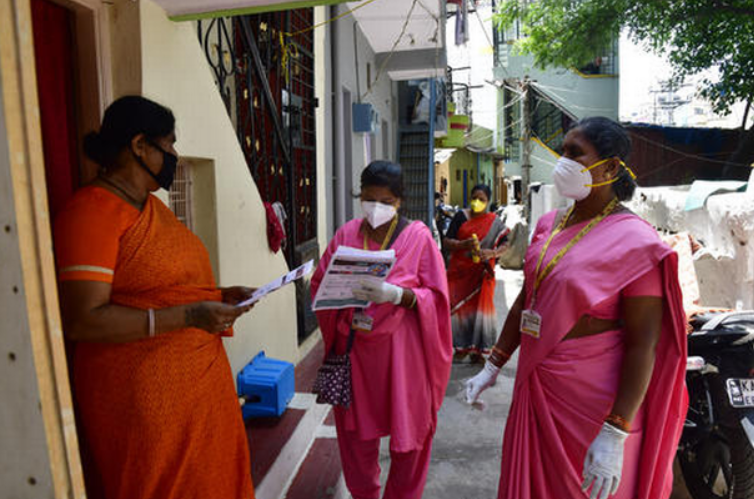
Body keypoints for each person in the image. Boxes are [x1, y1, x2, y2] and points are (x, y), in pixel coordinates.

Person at [465, 117, 687, 499]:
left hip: (592, 403)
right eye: (562, 151)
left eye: (574, 153)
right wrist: (493, 364)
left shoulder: (637, 243)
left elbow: (643, 344)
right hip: (537, 384)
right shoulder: (549, 224)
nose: (562, 162)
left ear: (611, 167)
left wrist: (615, 431)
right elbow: (527, 299)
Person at [53, 96, 256, 499]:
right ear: (139, 144)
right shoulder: (90, 212)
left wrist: (218, 295)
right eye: (169, 144)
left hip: (198, 396)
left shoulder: (154, 210)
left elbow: (165, 288)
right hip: (144, 406)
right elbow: (83, 319)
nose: (175, 155)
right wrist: (188, 316)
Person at [311, 160, 452, 499]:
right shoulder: (346, 234)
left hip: (404, 361)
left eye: (386, 202)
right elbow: (318, 286)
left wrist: (398, 295)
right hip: (355, 355)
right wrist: (337, 292)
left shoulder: (418, 237)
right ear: (360, 196)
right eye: (369, 199)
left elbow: (438, 298)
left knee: (411, 441)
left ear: (400, 201)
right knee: (356, 441)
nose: (376, 208)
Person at [443, 184, 509, 362]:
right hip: (460, 273)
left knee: (482, 311)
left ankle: (480, 351)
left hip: (482, 274)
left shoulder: (494, 221)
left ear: (488, 202)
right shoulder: (460, 217)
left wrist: (492, 253)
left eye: (482, 199)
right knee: (459, 311)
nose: (477, 202)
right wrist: (462, 245)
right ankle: (461, 348)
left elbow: (506, 243)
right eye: (474, 198)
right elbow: (447, 241)